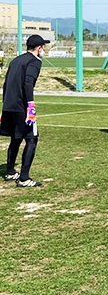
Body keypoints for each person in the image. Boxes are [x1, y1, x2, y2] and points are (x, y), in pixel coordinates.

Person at [1, 34, 49, 187]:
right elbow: (28, 83)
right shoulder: (34, 61)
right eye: (43, 47)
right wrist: (31, 106)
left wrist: (5, 105)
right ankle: (24, 178)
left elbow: (6, 83)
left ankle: (10, 171)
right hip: (22, 105)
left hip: (9, 104)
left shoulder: (16, 60)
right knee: (32, 138)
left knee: (16, 137)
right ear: (39, 48)